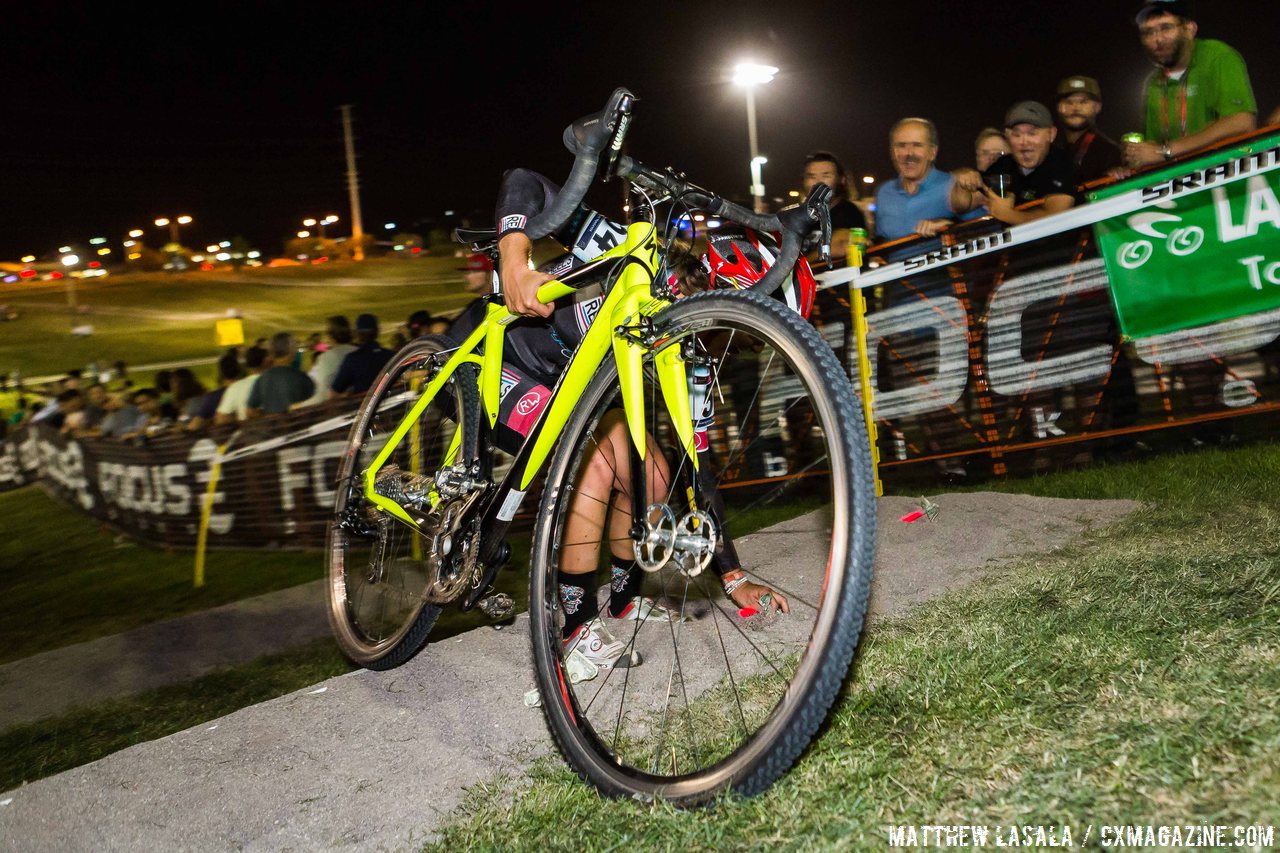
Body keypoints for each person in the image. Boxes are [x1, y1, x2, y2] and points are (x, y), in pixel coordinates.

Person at [474, 166, 789, 672]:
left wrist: (733, 577)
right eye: (744, 329)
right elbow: (523, 181)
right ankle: (575, 629)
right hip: (503, 363)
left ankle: (623, 600)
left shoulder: (691, 351)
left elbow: (698, 473)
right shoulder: (624, 247)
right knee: (597, 460)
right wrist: (514, 259)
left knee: (656, 472)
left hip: (561, 389)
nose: (733, 344)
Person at [1123, 0, 1257, 169]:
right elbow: (1153, 148)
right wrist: (1133, 163)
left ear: (1189, 29)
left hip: (1226, 173)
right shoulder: (1153, 83)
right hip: (1181, 184)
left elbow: (1242, 122)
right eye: (1148, 32)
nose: (1157, 39)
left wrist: (1167, 151)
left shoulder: (1217, 56)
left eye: (1166, 28)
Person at [951, 101, 1079, 225]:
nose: (1024, 142)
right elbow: (965, 202)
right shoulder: (1004, 165)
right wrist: (962, 181)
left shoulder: (1063, 164)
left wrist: (1008, 214)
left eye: (1032, 133)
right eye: (1016, 134)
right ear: (1007, 136)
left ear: (1051, 134)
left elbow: (1057, 218)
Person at [873, 118, 970, 253]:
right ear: (892, 153)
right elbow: (881, 242)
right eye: (901, 145)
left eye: (917, 145)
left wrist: (948, 228)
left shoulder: (954, 186)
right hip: (894, 273)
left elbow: (985, 233)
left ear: (932, 152)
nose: (909, 153)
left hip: (940, 273)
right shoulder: (884, 192)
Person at [800, 150, 867, 267]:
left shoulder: (850, 213)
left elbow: (851, 253)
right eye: (812, 176)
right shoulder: (797, 217)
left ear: (841, 180)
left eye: (826, 175)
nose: (818, 182)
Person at [1055, 75, 1123, 183]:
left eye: (1083, 102)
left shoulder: (1109, 153)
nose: (1076, 108)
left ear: (1097, 107)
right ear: (1059, 107)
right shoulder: (1048, 147)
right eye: (1069, 102)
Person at [247, 333, 315, 416]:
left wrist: (270, 416)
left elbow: (250, 411)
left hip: (274, 426)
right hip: (298, 426)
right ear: (290, 350)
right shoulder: (301, 377)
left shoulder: (262, 378)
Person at [330, 314, 393, 397]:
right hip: (393, 406)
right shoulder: (392, 356)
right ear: (377, 332)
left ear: (357, 333)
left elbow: (333, 393)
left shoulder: (353, 359)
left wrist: (347, 396)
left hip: (365, 408)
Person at [302, 315, 356, 405]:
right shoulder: (359, 352)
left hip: (337, 408)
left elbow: (320, 393)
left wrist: (302, 405)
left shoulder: (326, 358)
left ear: (330, 336)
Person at [215, 345, 267, 425]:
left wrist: (237, 418)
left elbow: (221, 419)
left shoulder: (235, 387)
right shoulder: (278, 380)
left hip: (250, 432)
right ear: (266, 361)